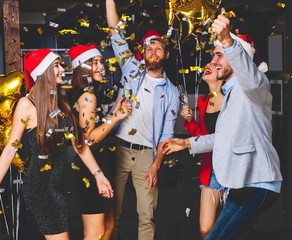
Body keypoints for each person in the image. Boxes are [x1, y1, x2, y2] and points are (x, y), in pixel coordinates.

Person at [162, 14, 282, 239]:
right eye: (214, 54)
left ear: (239, 58)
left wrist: (228, 41)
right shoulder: (230, 94)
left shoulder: (255, 85)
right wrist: (187, 142)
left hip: (257, 181)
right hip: (243, 183)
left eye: (220, 55)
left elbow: (250, 75)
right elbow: (224, 137)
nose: (214, 60)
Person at [0, 49, 114, 240]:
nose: (62, 70)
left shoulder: (61, 101)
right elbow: (10, 149)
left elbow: (79, 143)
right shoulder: (27, 104)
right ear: (42, 72)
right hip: (41, 188)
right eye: (56, 66)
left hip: (60, 185)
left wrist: (99, 176)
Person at [106, 1, 180, 239]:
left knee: (146, 215)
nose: (153, 52)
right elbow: (115, 32)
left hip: (148, 155)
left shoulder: (172, 92)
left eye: (157, 48)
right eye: (148, 48)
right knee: (111, 213)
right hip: (119, 148)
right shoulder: (131, 69)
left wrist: (156, 164)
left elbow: (167, 135)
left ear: (166, 54)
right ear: (143, 53)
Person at [68, 43, 132, 240]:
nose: (100, 66)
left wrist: (113, 112)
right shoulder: (88, 96)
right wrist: (117, 117)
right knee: (95, 233)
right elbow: (88, 138)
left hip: (104, 163)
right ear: (82, 67)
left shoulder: (90, 92)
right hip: (91, 168)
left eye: (101, 62)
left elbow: (95, 126)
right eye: (94, 62)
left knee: (109, 226)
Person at [181, 62, 224, 238]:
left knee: (237, 227)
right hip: (211, 168)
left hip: (235, 167)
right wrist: (191, 120)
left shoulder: (233, 98)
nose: (208, 64)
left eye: (214, 63)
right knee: (205, 229)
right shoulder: (203, 100)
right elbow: (202, 136)